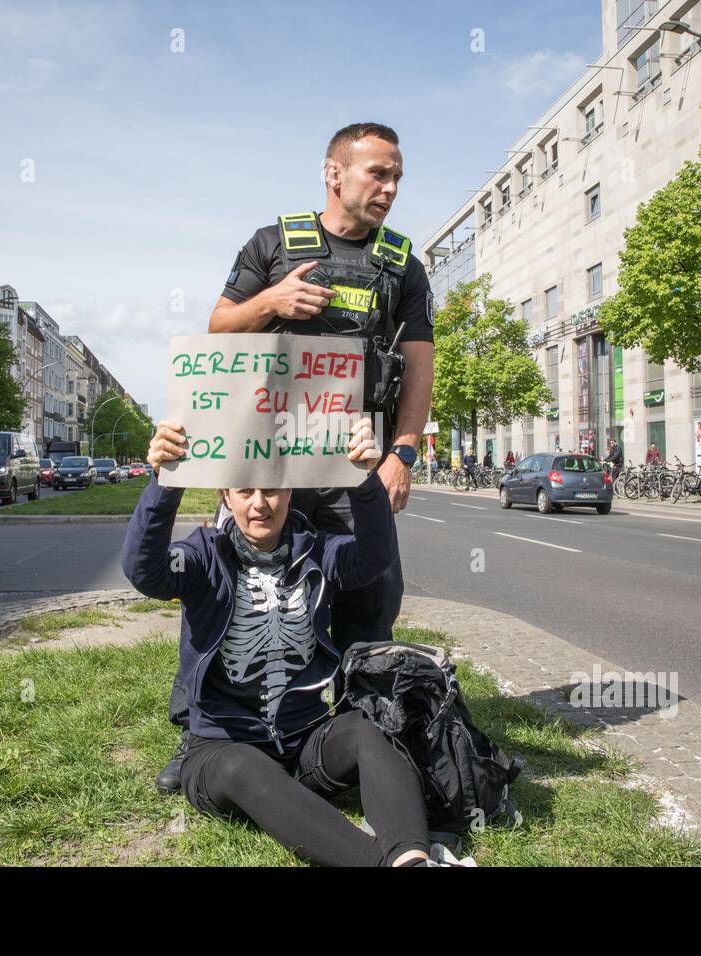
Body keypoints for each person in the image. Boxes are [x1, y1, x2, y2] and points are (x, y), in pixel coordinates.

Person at [150, 123, 435, 795]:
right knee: (232, 592)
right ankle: (203, 732)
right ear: (334, 174)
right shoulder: (272, 244)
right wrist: (272, 303)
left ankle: (365, 735)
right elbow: (219, 326)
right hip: (268, 454)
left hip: (349, 459)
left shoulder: (403, 264)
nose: (390, 189)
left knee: (371, 590)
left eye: (397, 176)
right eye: (377, 174)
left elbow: (420, 366)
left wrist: (403, 452)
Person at [122, 418, 458, 868]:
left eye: (273, 491)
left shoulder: (315, 549)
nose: (260, 505)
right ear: (226, 497)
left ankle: (410, 856)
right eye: (245, 492)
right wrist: (165, 482)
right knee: (242, 766)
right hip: (221, 749)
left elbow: (373, 558)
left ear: (290, 494)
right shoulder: (205, 556)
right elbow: (145, 570)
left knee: (369, 728)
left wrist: (362, 480)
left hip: (304, 741)